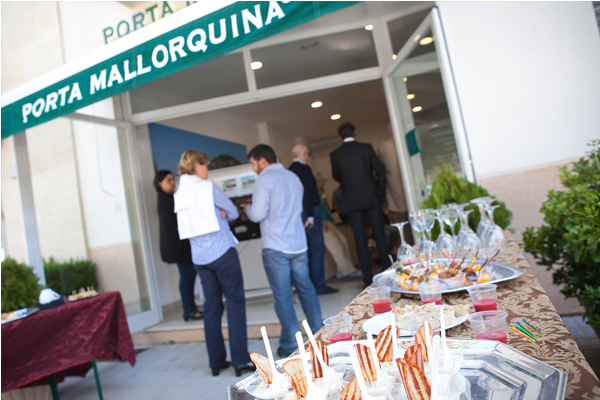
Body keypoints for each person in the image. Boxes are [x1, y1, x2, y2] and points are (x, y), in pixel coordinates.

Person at [174, 150, 255, 377]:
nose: (207, 169)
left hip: (199, 258)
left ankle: (216, 362)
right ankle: (240, 361)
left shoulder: (180, 193)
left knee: (211, 306)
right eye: (205, 165)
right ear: (197, 165)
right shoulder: (208, 187)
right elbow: (231, 211)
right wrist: (221, 212)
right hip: (222, 252)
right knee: (235, 302)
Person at [242, 144, 323, 358]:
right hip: (297, 242)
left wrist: (246, 209)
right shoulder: (292, 177)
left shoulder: (264, 180)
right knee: (306, 288)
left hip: (276, 245)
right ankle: (320, 335)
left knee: (283, 296)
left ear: (262, 160)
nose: (252, 168)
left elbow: (258, 214)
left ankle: (290, 345)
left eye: (252, 163)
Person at [330, 122, 392, 286]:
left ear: (340, 136)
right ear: (355, 132)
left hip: (351, 201)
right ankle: (387, 274)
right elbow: (380, 172)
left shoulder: (335, 154)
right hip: (372, 199)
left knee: (360, 240)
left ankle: (367, 279)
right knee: (380, 236)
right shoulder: (366, 148)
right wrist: (379, 194)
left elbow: (337, 177)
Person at [288, 145, 339, 295]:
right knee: (317, 250)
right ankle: (319, 285)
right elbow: (309, 192)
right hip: (309, 214)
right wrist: (310, 215)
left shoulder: (289, 171)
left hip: (297, 214)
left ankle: (306, 286)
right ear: (304, 154)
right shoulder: (305, 169)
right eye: (308, 154)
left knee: (305, 250)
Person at [154, 170, 203, 322]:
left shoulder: (167, 199)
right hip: (178, 247)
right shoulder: (166, 199)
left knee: (188, 276)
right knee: (187, 276)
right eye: (168, 180)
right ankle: (189, 310)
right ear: (159, 183)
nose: (172, 182)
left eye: (172, 179)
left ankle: (190, 309)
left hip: (178, 246)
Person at [314, 172, 361, 279]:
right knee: (336, 246)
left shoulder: (319, 194)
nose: (323, 186)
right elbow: (314, 210)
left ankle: (341, 269)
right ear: (317, 182)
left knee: (343, 240)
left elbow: (324, 210)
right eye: (322, 183)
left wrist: (331, 219)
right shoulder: (311, 193)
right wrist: (321, 222)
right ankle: (348, 270)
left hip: (327, 221)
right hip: (321, 223)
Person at [377, 127, 413, 243]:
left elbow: (380, 172)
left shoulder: (383, 147)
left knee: (403, 230)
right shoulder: (408, 142)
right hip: (404, 192)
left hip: (395, 194)